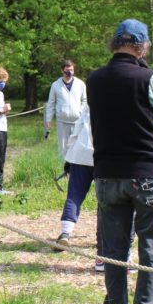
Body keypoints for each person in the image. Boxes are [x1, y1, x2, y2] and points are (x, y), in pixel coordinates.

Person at [87, 19, 153, 304]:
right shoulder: (149, 78)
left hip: (107, 174)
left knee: (113, 250)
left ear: (114, 44)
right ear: (142, 46)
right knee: (151, 243)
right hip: (145, 172)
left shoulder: (94, 80)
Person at [53, 106, 106, 273]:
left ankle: (66, 233)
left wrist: (69, 157)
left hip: (80, 155)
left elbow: (75, 133)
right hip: (102, 156)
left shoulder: (88, 108)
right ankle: (103, 242)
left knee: (74, 196)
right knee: (104, 200)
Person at [44, 59, 87, 161]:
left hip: (77, 121)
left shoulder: (80, 84)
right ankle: (63, 171)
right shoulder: (55, 85)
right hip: (62, 121)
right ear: (62, 71)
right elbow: (51, 103)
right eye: (67, 71)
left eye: (71, 70)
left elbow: (85, 100)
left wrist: (81, 112)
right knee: (63, 147)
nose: (69, 73)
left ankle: (75, 170)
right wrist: (48, 119)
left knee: (77, 147)